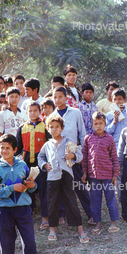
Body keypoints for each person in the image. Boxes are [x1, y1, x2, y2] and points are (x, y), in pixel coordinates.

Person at [38, 115, 89, 244]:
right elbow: (41, 157)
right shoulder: (47, 145)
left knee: (71, 201)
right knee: (52, 202)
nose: (54, 129)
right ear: (48, 129)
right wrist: (44, 165)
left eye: (57, 127)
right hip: (52, 176)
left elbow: (79, 155)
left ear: (62, 128)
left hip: (67, 175)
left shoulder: (68, 141)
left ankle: (80, 229)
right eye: (51, 127)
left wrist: (72, 155)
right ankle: (52, 229)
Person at [0, 134, 38, 254]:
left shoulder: (22, 165)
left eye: (7, 148)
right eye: (1, 148)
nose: (4, 151)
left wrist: (32, 185)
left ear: (15, 150)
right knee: (6, 245)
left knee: (30, 242)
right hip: (5, 211)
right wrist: (12, 188)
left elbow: (32, 188)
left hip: (23, 209)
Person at [49, 86, 93, 224]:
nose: (57, 99)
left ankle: (91, 214)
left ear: (66, 97)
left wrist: (80, 153)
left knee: (79, 186)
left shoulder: (75, 113)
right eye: (55, 97)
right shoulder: (52, 116)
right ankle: (62, 214)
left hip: (72, 156)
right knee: (60, 186)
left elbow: (82, 134)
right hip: (58, 157)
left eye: (60, 96)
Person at [81, 112, 120, 235]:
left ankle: (113, 222)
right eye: (95, 123)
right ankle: (97, 222)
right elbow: (85, 157)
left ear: (105, 124)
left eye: (101, 123)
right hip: (93, 177)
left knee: (110, 199)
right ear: (92, 124)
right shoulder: (88, 139)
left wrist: (115, 175)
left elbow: (114, 158)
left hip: (108, 176)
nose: (98, 126)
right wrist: (85, 173)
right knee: (95, 200)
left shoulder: (109, 139)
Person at [16, 101, 51, 229]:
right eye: (30, 111)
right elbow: (18, 148)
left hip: (41, 164)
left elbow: (50, 145)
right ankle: (28, 214)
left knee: (43, 190)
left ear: (40, 111)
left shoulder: (45, 126)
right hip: (26, 164)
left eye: (35, 110)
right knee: (28, 189)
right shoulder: (22, 128)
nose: (32, 113)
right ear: (26, 112)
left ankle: (45, 218)